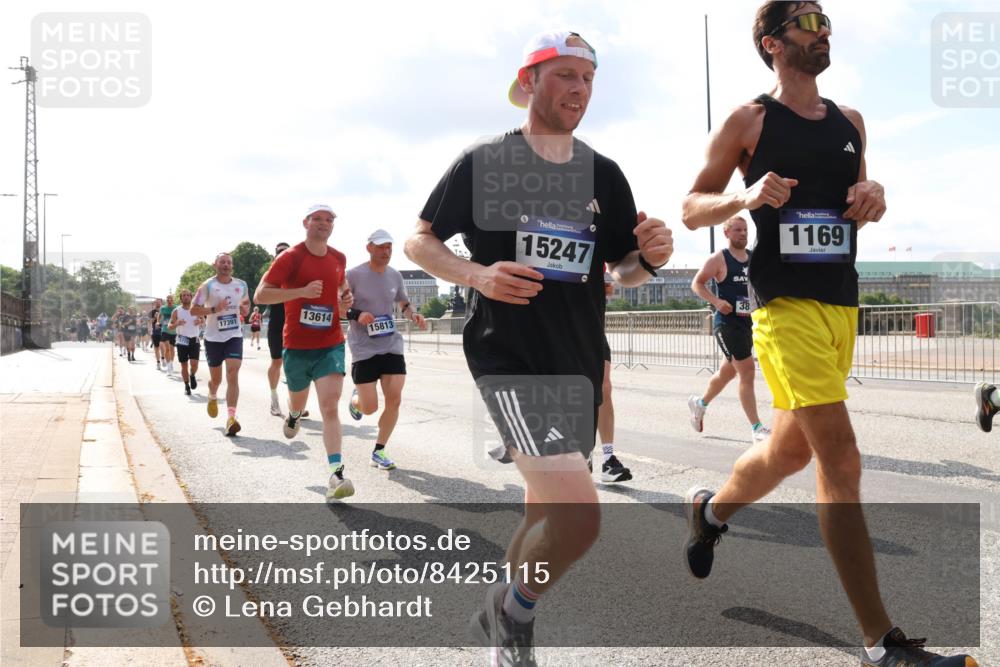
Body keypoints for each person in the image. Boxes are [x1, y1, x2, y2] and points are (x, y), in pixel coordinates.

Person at [679, 4, 976, 666]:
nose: (823, 33)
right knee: (840, 459)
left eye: (826, 24)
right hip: (781, 308)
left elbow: (856, 203)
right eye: (808, 24)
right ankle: (883, 644)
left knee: (787, 454)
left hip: (841, 305)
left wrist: (875, 193)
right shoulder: (749, 120)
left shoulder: (850, 123)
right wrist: (746, 196)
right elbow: (693, 202)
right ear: (772, 43)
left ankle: (710, 512)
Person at [405, 31, 672, 665]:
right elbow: (420, 240)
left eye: (588, 78)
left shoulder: (602, 173)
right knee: (581, 521)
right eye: (565, 76)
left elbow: (623, 269)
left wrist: (651, 258)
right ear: (529, 83)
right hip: (510, 357)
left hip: (578, 358)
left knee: (543, 514)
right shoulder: (486, 162)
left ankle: (506, 618)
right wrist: (477, 275)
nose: (579, 89)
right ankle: (512, 609)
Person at [256, 204, 355, 501]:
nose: (324, 224)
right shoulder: (291, 258)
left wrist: (345, 298)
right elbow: (261, 294)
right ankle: (294, 414)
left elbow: (342, 288)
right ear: (306, 223)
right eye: (318, 219)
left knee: (329, 406)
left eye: (329, 220)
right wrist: (299, 292)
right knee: (298, 400)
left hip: (330, 343)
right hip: (297, 347)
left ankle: (336, 474)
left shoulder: (339, 258)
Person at [344, 229, 427, 471]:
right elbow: (339, 308)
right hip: (363, 348)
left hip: (391, 343)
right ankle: (357, 400)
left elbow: (404, 303)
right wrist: (358, 315)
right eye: (380, 247)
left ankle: (379, 450)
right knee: (370, 407)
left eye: (389, 247)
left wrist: (413, 314)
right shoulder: (354, 275)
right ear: (369, 248)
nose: (386, 251)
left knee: (395, 399)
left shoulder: (395, 276)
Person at [688, 215, 771, 441]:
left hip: (749, 323)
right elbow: (697, 283)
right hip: (726, 324)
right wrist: (716, 302)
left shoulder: (753, 258)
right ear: (727, 233)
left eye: (745, 230)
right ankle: (756, 428)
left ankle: (700, 403)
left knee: (727, 372)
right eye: (737, 230)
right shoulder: (719, 259)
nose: (743, 234)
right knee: (747, 371)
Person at [190, 253, 251, 436]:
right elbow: (193, 309)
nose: (226, 265)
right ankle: (212, 395)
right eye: (222, 262)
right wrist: (215, 309)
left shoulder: (241, 285)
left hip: (234, 335)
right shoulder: (207, 286)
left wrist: (244, 308)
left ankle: (231, 418)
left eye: (229, 262)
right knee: (216, 379)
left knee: (233, 373)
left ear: (232, 266)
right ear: (215, 264)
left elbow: (246, 304)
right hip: (213, 338)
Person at [597, 276, 632, 483]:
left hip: (593, 326)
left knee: (604, 388)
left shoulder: (599, 244)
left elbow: (620, 268)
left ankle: (609, 459)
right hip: (558, 324)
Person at [169, 289, 203, 396]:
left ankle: (192, 375)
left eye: (188, 295)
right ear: (181, 298)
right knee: (184, 365)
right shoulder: (176, 311)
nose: (186, 297)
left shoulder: (197, 309)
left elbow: (203, 320)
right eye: (183, 295)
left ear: (191, 297)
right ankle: (187, 386)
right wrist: (177, 323)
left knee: (194, 364)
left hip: (194, 339)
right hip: (182, 340)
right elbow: (169, 326)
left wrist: (200, 321)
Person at [159, 294, 178, 374]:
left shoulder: (176, 308)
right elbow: (159, 316)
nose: (169, 301)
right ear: (166, 301)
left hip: (173, 331)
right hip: (165, 330)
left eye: (171, 300)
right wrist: (157, 321)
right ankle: (169, 367)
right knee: (167, 348)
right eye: (168, 300)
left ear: (173, 300)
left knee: (172, 349)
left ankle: (171, 363)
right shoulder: (163, 308)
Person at [150, 299, 163, 368]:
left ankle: (163, 358)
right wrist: (155, 317)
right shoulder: (152, 312)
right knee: (156, 347)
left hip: (163, 330)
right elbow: (150, 321)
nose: (157, 303)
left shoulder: (164, 310)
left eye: (159, 302)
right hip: (155, 331)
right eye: (156, 302)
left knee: (162, 345)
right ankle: (158, 362)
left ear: (161, 303)